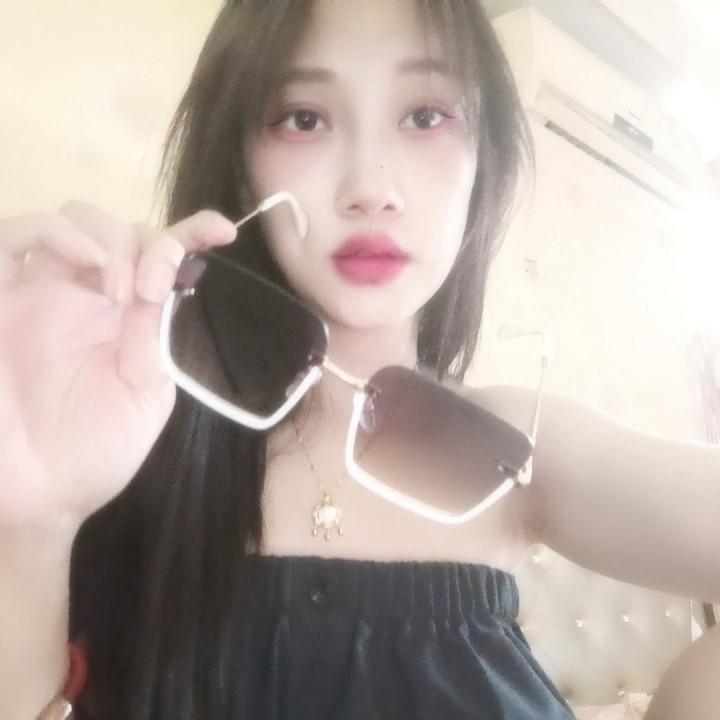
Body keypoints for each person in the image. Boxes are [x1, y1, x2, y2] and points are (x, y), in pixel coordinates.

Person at [1, 1, 719, 719]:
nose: (371, 188)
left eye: (425, 116)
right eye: (304, 119)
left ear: (484, 159)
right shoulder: (123, 416)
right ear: (241, 167)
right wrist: (29, 526)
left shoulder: (517, 447)